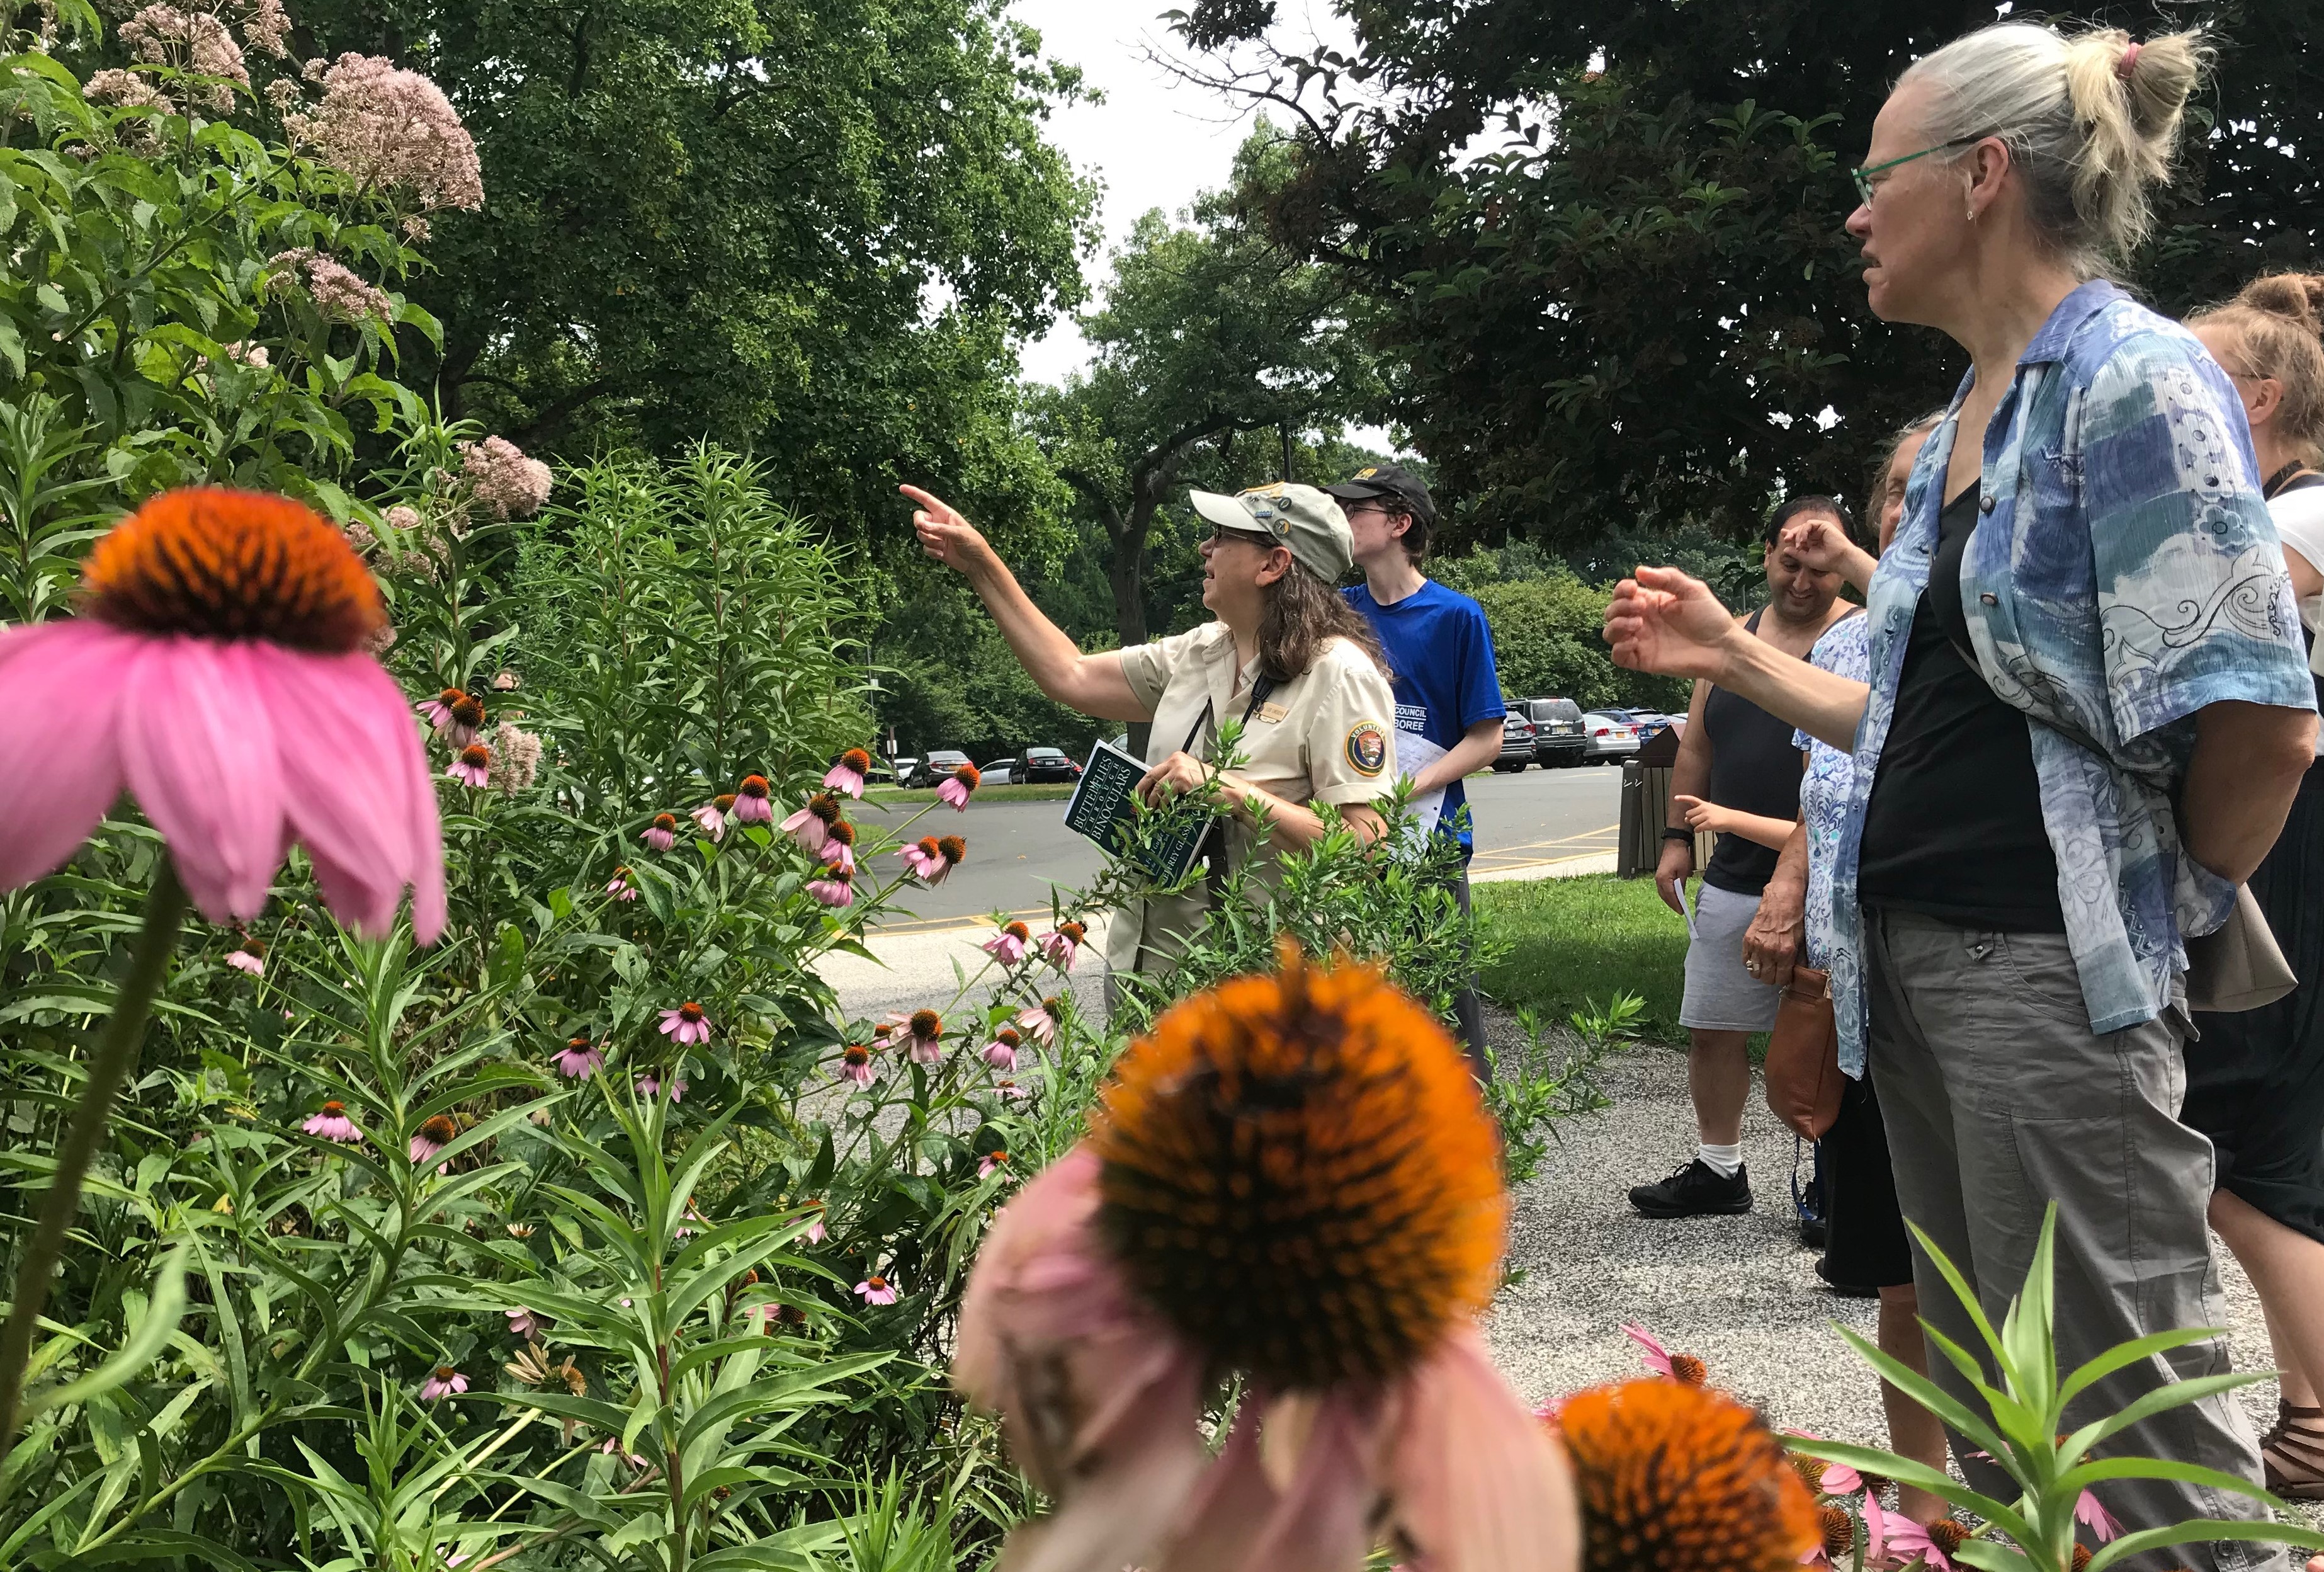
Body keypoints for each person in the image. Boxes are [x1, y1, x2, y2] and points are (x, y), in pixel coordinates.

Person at [1604, 23, 2319, 1564]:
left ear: (1984, 175)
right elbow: (1923, 708)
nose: (1855, 212)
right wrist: (1731, 650)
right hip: (1915, 967)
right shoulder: (1967, 422)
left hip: (2043, 970)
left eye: (1880, 175)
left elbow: (2264, 721)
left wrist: (2138, 912)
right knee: (2012, 1394)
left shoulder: (2133, 383)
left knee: (2138, 1420)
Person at [901, 481, 1398, 982]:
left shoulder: (1340, 675)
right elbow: (1069, 674)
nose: (1205, 547)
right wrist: (981, 564)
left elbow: (1365, 847)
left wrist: (1226, 790)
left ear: (1274, 564)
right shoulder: (1200, 650)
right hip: (1149, 973)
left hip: (1258, 990)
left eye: (1223, 535)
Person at [1746, 411, 1951, 1527]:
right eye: (1891, 491)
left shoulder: (1985, 627)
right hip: (1861, 988)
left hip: (1970, 987)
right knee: (1896, 1272)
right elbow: (1821, 800)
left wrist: (1874, 563)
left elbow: (1943, 622)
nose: (1898, 511)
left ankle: (2050, 1516)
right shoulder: (1839, 646)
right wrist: (1786, 889)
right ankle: (1922, 1516)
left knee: (2010, 1272)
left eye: (1929, 491)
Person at [2183, 273, 2324, 1500]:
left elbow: (2186, 628)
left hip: (2288, 840)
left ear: (2260, 398)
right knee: (2255, 1139)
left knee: (2239, 1142)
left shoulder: (2307, 517)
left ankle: (2321, 1404)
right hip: (2280, 830)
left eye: (2196, 384)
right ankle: (2305, 1403)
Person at [1626, 495, 1854, 1220]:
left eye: (1818, 566)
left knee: (1836, 1035)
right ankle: (1720, 1169)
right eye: (1788, 563)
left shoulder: (1859, 635)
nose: (1802, 580)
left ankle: (1833, 1179)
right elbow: (1697, 746)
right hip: (1731, 873)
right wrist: (1672, 843)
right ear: (1765, 556)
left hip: (1830, 872)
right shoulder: (1732, 639)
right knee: (1713, 1025)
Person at [1331, 462, 1505, 1071]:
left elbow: (1487, 739)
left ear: (1400, 522)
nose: (1343, 520)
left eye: (1357, 511)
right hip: (1348, 841)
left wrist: (1406, 787)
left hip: (1428, 842)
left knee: (1444, 1008)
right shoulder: (1336, 613)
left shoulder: (1456, 616)